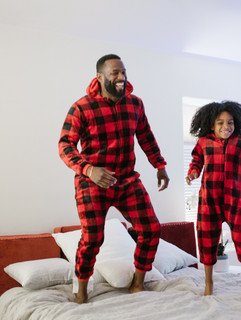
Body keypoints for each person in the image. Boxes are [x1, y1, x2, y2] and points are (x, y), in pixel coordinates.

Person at [59, 54, 170, 304]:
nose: (121, 77)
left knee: (151, 229)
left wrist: (159, 165)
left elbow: (146, 137)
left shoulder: (135, 104)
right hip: (93, 182)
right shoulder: (81, 107)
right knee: (93, 239)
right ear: (99, 77)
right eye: (115, 73)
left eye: (123, 72)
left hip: (127, 180)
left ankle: (137, 284)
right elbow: (65, 145)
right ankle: (81, 292)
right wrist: (89, 170)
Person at [185, 100, 241, 296]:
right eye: (220, 122)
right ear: (212, 124)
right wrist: (193, 173)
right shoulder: (203, 142)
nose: (226, 127)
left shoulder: (240, 143)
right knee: (206, 237)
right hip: (209, 199)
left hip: (236, 198)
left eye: (230, 122)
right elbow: (196, 161)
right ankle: (208, 282)